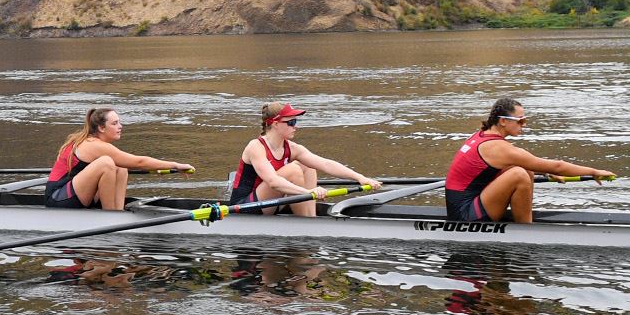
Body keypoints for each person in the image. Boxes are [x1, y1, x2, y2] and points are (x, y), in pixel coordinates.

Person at [445, 96, 613, 223]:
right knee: (519, 174)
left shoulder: (482, 135)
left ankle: (522, 220)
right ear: (503, 121)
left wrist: (544, 171)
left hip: (467, 202)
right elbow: (557, 166)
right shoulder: (498, 148)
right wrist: (593, 172)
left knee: (526, 169)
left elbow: (497, 166)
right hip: (465, 215)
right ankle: (526, 229)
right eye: (520, 121)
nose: (524, 125)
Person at [229, 103, 380, 215]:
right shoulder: (256, 147)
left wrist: (360, 178)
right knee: (293, 170)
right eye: (291, 122)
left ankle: (309, 217)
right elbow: (273, 182)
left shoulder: (292, 148)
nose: (296, 126)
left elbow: (326, 164)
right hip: (244, 207)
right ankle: (306, 223)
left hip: (271, 203)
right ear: (275, 124)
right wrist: (308, 192)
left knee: (307, 166)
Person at [45, 108, 193, 210]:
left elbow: (132, 162)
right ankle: (111, 216)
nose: (120, 126)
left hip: (75, 193)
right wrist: (175, 165)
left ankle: (117, 211)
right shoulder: (93, 144)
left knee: (120, 166)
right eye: (114, 123)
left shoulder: (95, 142)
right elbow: (139, 162)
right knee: (106, 163)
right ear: (101, 128)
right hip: (58, 198)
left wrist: (158, 167)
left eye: (119, 122)